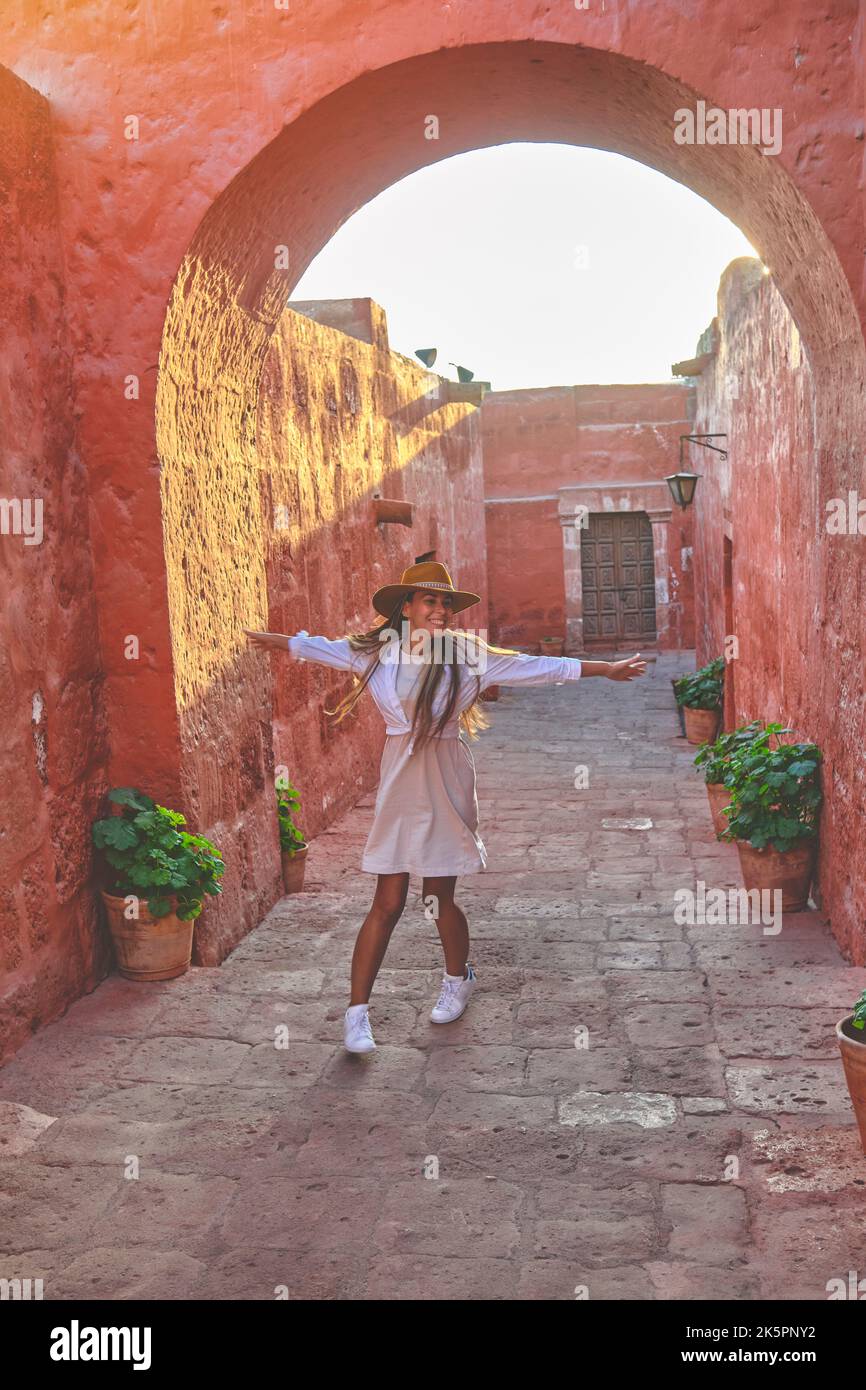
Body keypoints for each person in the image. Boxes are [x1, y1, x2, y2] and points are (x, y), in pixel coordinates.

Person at [244, 561, 646, 1054]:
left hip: (446, 776)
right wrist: (281, 640)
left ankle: (458, 978)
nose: (439, 610)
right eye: (429, 601)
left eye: (445, 603)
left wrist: (604, 668)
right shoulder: (374, 655)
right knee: (386, 902)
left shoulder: (467, 656)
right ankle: (356, 1016)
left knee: (436, 898)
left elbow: (534, 667)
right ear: (406, 608)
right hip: (399, 781)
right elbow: (320, 647)